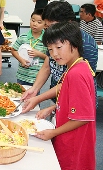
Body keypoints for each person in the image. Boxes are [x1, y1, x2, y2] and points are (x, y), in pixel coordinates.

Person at [35, 21, 96, 170]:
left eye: (59, 47)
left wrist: (53, 133)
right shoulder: (79, 64)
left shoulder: (76, 74)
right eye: (50, 49)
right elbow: (78, 101)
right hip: (71, 135)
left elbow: (83, 117)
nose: (54, 54)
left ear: (74, 44)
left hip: (73, 141)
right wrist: (54, 107)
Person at [21, 0, 98, 113]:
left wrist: (39, 98)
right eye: (46, 27)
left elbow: (73, 83)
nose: (49, 31)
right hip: (57, 97)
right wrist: (35, 88)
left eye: (52, 26)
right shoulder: (55, 39)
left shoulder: (86, 45)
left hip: (77, 104)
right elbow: (47, 65)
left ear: (69, 23)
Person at [11, 8, 47, 86]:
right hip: (22, 75)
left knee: (34, 96)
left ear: (45, 25)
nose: (35, 24)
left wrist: (39, 54)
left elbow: (50, 57)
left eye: (39, 22)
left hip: (37, 77)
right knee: (20, 94)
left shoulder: (47, 39)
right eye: (33, 20)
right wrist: (21, 60)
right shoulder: (23, 37)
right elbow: (13, 50)